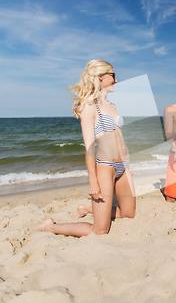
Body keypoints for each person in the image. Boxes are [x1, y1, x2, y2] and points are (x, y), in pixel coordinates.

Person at [35, 59, 136, 236]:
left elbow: (119, 139)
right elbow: (89, 147)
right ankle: (50, 226)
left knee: (129, 214)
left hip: (124, 166)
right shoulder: (89, 107)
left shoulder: (112, 105)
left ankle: (88, 209)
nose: (116, 81)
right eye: (113, 75)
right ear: (99, 77)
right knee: (100, 230)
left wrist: (128, 164)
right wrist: (93, 181)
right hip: (106, 167)